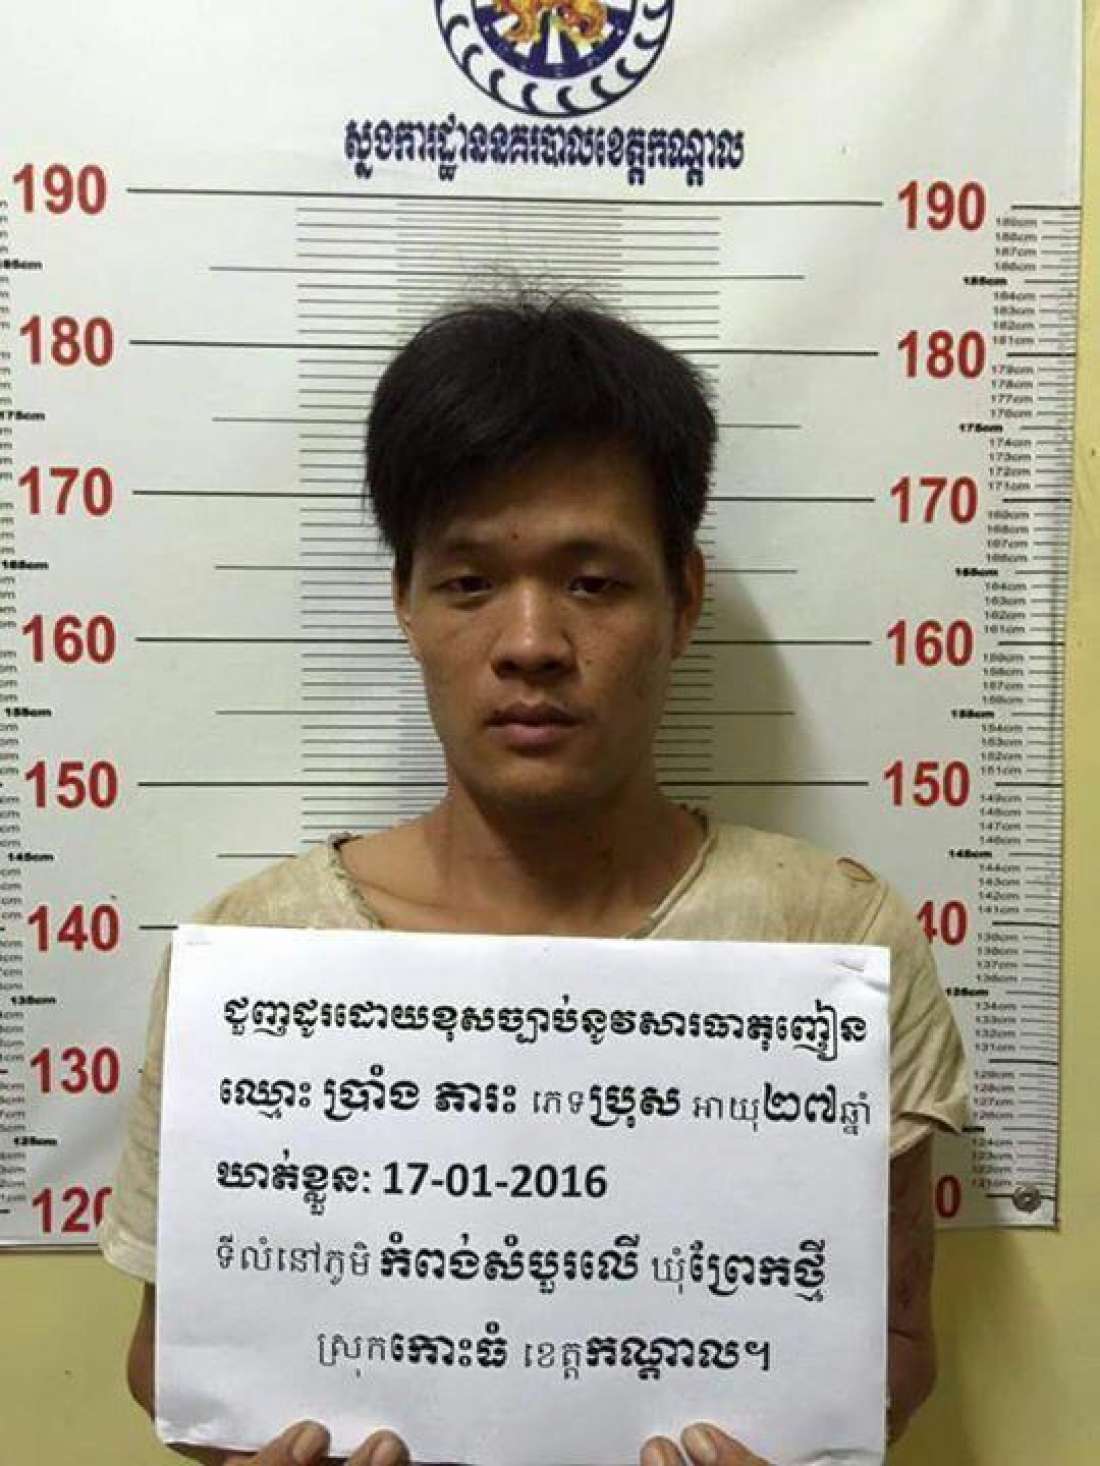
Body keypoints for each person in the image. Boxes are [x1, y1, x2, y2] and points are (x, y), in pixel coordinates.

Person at [100, 292, 968, 1463]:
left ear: (683, 600)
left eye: (592, 582)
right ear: (404, 602)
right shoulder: (258, 955)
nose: (529, 643)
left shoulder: (830, 933)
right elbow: (174, 1355)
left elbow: (896, 1339)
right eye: (468, 582)